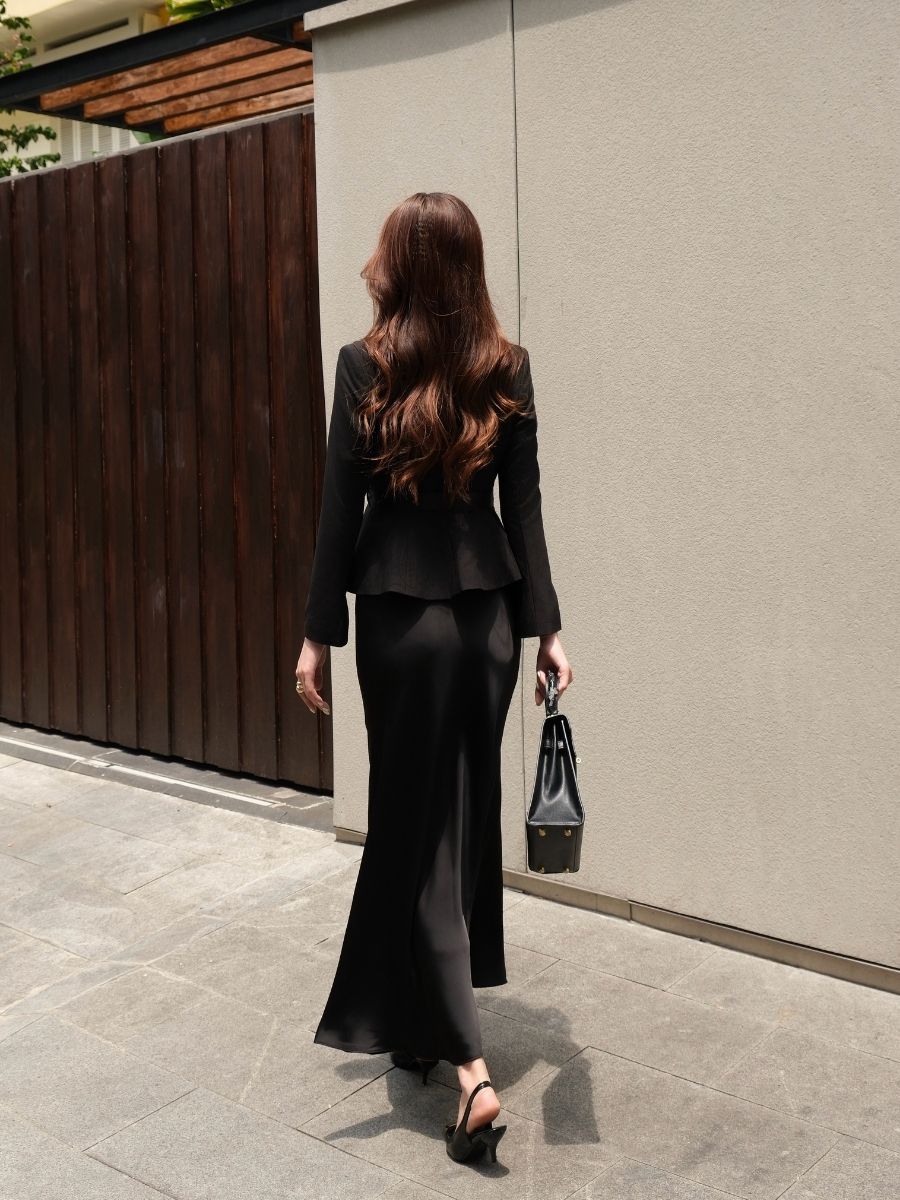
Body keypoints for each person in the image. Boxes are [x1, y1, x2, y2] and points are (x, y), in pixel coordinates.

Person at [295, 192, 573, 1166]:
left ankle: (469, 1072)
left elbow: (339, 510)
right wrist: (546, 629)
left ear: (400, 266)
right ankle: (418, 1021)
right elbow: (525, 510)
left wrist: (316, 634)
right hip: (489, 624)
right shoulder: (509, 367)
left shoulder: (362, 365)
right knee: (456, 822)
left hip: (400, 624)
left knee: (416, 837)